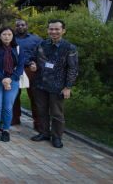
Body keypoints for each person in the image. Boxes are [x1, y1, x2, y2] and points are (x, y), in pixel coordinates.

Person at [31, 20, 78, 149]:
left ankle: (57, 137)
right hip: (40, 84)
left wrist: (68, 87)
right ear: (48, 30)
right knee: (42, 110)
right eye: (51, 29)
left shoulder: (69, 48)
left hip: (58, 86)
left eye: (57, 29)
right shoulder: (42, 44)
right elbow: (33, 58)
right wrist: (32, 64)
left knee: (57, 113)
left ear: (63, 31)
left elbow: (73, 68)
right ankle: (44, 133)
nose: (54, 32)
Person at [0, 27, 25, 142]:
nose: (7, 36)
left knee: (8, 107)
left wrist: (10, 79)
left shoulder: (18, 48)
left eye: (9, 34)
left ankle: (6, 130)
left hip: (12, 81)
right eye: (4, 34)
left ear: (13, 36)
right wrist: (3, 79)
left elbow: (20, 66)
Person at [13, 19, 43, 128]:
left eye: (22, 25)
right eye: (17, 25)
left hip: (30, 69)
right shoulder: (11, 38)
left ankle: (38, 122)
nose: (20, 27)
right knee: (14, 95)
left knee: (35, 96)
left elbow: (42, 55)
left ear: (27, 26)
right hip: (15, 69)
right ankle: (15, 118)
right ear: (15, 27)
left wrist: (37, 65)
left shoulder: (36, 39)